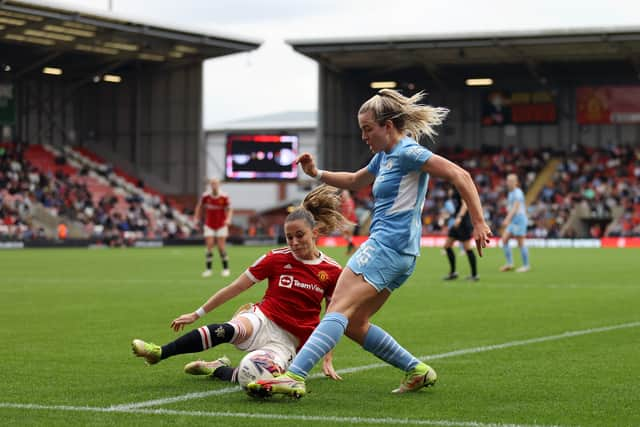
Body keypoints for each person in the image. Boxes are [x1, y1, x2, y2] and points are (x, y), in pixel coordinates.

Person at [247, 89, 492, 399]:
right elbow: (353, 181)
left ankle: (294, 375)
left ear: (388, 126)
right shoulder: (385, 157)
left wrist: (479, 221)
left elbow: (461, 175)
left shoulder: (408, 152)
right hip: (401, 254)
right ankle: (416, 369)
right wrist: (316, 173)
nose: (363, 136)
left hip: (386, 247)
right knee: (354, 322)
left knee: (338, 307)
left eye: (368, 128)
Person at [131, 185, 349, 384]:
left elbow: (332, 319)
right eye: (288, 237)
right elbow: (235, 288)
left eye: (299, 235)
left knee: (255, 379)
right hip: (263, 319)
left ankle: (216, 369)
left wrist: (327, 358)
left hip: (291, 341)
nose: (293, 242)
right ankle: (159, 352)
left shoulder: (331, 270)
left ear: (315, 233)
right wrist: (196, 314)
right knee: (231, 329)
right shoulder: (275, 258)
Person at [194, 178, 233, 278]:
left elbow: (229, 209)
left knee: (221, 247)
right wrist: (196, 218)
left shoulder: (224, 196)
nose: (214, 185)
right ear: (210, 185)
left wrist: (228, 219)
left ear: (219, 184)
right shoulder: (206, 196)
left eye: (215, 183)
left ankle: (225, 269)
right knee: (209, 245)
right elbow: (199, 206)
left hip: (221, 225)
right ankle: (208, 269)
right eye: (212, 184)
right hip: (209, 224)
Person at [442, 187, 479, 281]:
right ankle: (453, 273)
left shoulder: (460, 187)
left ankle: (474, 275)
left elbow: (465, 204)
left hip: (463, 222)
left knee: (467, 248)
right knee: (447, 246)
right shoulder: (454, 187)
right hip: (457, 221)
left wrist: (459, 217)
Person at [499, 173, 530, 272]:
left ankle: (526, 265)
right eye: (508, 181)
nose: (509, 183)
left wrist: (507, 219)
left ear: (516, 183)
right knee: (504, 240)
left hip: (519, 220)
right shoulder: (511, 193)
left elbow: (515, 207)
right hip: (514, 220)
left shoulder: (518, 192)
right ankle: (510, 263)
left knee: (520, 243)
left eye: (511, 181)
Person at [339, 189, 359, 254]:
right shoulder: (343, 202)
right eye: (342, 194)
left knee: (347, 236)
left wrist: (344, 219)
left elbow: (349, 211)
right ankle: (352, 249)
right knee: (347, 237)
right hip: (347, 221)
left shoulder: (349, 201)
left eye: (344, 194)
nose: (343, 195)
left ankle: (352, 249)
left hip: (351, 222)